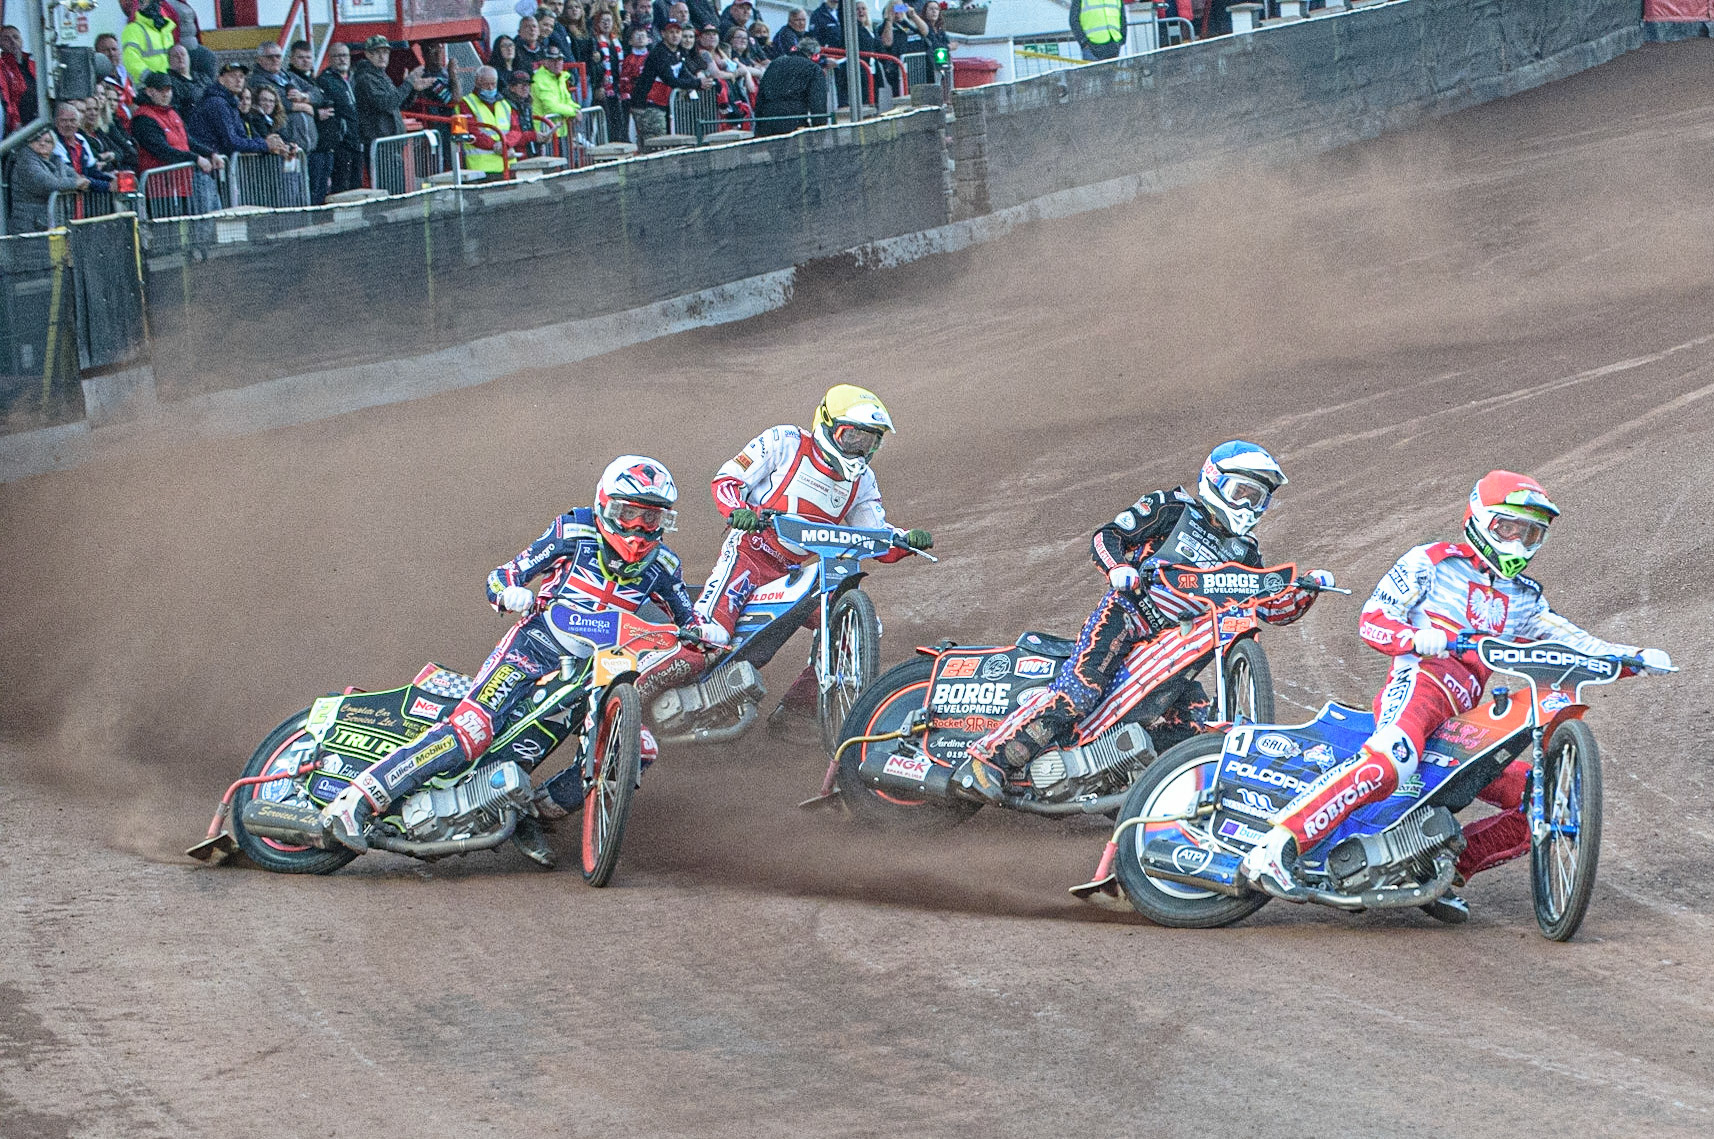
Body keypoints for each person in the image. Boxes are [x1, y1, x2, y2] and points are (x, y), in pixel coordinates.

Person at [1237, 471, 1674, 915]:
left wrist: (1632, 657)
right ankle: (1274, 847)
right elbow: (1372, 617)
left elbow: (1575, 642)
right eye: (1509, 528)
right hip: (1420, 684)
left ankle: (1437, 870)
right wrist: (1412, 638)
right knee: (1390, 760)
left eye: (1532, 534)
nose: (1519, 543)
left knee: (1542, 803)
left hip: (1463, 714)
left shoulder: (1525, 599)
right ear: (1480, 519)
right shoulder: (1431, 561)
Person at [316, 457, 725, 865]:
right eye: (628, 513)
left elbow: (691, 621)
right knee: (473, 729)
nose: (637, 528)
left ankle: (533, 813)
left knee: (638, 748)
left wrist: (707, 634)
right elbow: (503, 576)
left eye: (650, 518)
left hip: (591, 672)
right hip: (533, 647)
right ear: (604, 504)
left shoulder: (666, 566)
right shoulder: (573, 530)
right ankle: (356, 801)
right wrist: (509, 594)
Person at [959, 441, 1328, 801]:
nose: (1248, 506)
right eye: (1241, 492)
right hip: (1129, 614)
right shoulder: (1172, 508)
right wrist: (1118, 567)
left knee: (1194, 723)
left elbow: (1268, 608)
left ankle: (1131, 786)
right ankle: (990, 759)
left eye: (1258, 497)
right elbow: (1108, 536)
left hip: (1173, 646)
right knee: (1081, 689)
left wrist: (1306, 589)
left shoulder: (1245, 553)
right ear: (1214, 481)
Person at [646, 386, 932, 727]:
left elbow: (874, 532)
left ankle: (799, 714)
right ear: (827, 425)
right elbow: (727, 479)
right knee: (711, 635)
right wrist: (738, 510)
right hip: (748, 555)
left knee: (853, 630)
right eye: (852, 437)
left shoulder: (862, 481)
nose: (859, 450)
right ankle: (643, 697)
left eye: (869, 442)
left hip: (796, 571)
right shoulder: (785, 441)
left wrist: (904, 541)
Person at [130, 69, 222, 214]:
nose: (166, 94)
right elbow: (162, 150)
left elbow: (188, 141)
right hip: (159, 188)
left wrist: (210, 153)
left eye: (168, 89)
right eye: (161, 90)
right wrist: (195, 158)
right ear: (149, 91)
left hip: (180, 185)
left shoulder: (172, 113)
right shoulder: (144, 118)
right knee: (164, 231)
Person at [628, 19, 709, 143]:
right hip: (648, 105)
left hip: (662, 105)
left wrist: (699, 82)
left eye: (678, 32)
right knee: (656, 143)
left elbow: (683, 73)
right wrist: (697, 83)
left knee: (659, 141)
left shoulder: (679, 52)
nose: (675, 35)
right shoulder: (659, 54)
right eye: (671, 32)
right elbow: (670, 80)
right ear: (663, 34)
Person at [188, 61, 289, 158]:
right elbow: (232, 142)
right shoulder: (218, 103)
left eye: (241, 76)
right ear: (221, 79)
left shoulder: (230, 103)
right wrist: (265, 145)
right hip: (212, 166)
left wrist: (279, 144)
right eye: (233, 76)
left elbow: (242, 137)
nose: (238, 80)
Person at [352, 35, 431, 156]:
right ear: (368, 54)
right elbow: (387, 103)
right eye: (377, 52)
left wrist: (413, 90)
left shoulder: (382, 76)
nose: (382, 56)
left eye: (385, 52)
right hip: (380, 145)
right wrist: (409, 82)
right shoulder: (366, 78)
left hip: (392, 143)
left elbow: (399, 105)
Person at [6, 126, 86, 233]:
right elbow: (47, 184)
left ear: (53, 145)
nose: (42, 143)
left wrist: (79, 180)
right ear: (29, 142)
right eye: (37, 140)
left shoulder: (55, 160)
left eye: (48, 141)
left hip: (46, 224)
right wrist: (75, 183)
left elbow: (75, 175)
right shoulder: (25, 160)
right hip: (29, 227)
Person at [459, 65, 532, 176]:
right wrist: (495, 145)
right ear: (477, 83)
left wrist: (505, 144)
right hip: (481, 168)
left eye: (493, 84)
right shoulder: (466, 103)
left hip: (508, 165)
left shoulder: (504, 103)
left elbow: (516, 130)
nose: (490, 88)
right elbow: (473, 132)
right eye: (486, 84)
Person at [752, 36, 829, 137]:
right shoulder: (813, 68)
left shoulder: (775, 63)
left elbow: (761, 93)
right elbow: (818, 102)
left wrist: (759, 122)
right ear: (813, 55)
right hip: (794, 119)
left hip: (768, 117)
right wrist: (819, 130)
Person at [317, 42, 363, 195]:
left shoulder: (354, 78)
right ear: (330, 59)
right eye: (338, 56)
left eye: (345, 55)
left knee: (357, 185)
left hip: (357, 140)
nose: (342, 59)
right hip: (341, 143)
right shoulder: (325, 80)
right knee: (341, 187)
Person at [121, 0, 177, 91]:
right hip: (147, 88)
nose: (153, 3)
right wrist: (149, 76)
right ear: (140, 4)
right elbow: (131, 59)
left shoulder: (166, 28)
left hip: (169, 85)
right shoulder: (133, 29)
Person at [532, 46, 582, 143]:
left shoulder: (559, 77)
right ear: (545, 62)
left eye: (560, 60)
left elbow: (567, 99)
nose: (557, 63)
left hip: (560, 130)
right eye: (552, 60)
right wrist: (574, 112)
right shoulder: (540, 80)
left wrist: (576, 108)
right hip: (545, 133)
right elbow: (551, 106)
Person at [1, 24, 39, 135]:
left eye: (15, 37)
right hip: (19, 124)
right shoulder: (2, 67)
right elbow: (7, 98)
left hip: (39, 117)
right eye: (6, 39)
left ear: (22, 40)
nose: (12, 41)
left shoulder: (33, 65)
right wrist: (15, 122)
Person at [165, 44, 204, 118]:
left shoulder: (203, 78)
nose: (180, 57)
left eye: (183, 54)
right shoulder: (169, 84)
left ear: (189, 57)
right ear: (169, 61)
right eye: (175, 56)